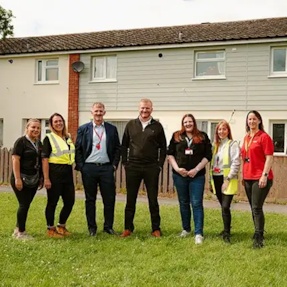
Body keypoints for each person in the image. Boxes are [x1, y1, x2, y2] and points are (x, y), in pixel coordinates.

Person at [121, 99, 167, 237]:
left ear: (151, 109)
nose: (144, 110)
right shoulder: (131, 125)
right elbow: (124, 145)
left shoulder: (157, 126)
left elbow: (163, 147)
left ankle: (155, 229)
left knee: (153, 199)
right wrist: (125, 163)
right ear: (138, 109)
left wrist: (159, 165)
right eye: (142, 108)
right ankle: (128, 228)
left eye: (147, 108)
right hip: (133, 167)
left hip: (151, 167)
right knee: (130, 199)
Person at [75, 102, 121, 236]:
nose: (98, 113)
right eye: (96, 111)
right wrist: (82, 166)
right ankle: (92, 228)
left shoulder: (112, 129)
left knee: (109, 199)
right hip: (89, 168)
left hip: (106, 168)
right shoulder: (83, 129)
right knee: (90, 199)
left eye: (101, 111)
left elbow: (118, 148)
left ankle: (108, 227)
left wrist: (114, 165)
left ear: (104, 113)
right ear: (92, 112)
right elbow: (78, 148)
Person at [168, 114, 212, 244]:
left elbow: (208, 155)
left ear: (194, 123)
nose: (188, 124)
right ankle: (186, 229)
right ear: (183, 123)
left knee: (197, 203)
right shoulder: (176, 136)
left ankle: (199, 233)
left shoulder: (202, 136)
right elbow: (170, 154)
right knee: (183, 202)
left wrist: (196, 170)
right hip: (180, 175)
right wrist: (177, 169)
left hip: (196, 176)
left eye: (190, 121)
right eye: (185, 122)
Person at [241, 110, 273, 248]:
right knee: (253, 207)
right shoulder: (247, 137)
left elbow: (269, 157)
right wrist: (243, 176)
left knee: (256, 207)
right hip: (248, 177)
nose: (252, 122)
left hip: (260, 177)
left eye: (254, 119)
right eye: (249, 119)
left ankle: (259, 237)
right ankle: (257, 231)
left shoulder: (264, 137)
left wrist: (264, 175)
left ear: (259, 121)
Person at [42, 113, 75, 238]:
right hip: (54, 172)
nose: (58, 123)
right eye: (55, 121)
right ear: (51, 124)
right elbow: (44, 159)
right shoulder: (48, 138)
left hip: (67, 172)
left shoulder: (68, 137)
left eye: (60, 121)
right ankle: (50, 229)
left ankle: (61, 226)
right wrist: (46, 178)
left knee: (70, 201)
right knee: (52, 202)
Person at [11, 119, 43, 240]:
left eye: (38, 128)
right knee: (23, 204)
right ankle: (21, 233)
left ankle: (17, 229)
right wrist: (18, 179)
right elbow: (15, 160)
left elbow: (40, 161)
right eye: (33, 127)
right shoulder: (21, 142)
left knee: (26, 204)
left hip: (33, 179)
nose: (36, 130)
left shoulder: (39, 143)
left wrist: (40, 178)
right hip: (21, 177)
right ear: (27, 127)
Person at [210, 120, 240, 243]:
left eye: (224, 129)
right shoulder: (215, 145)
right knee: (223, 206)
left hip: (227, 179)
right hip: (216, 178)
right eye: (219, 129)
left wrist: (228, 179)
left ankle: (227, 233)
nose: (221, 131)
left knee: (226, 206)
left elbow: (236, 163)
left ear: (228, 131)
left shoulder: (232, 144)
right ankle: (225, 229)